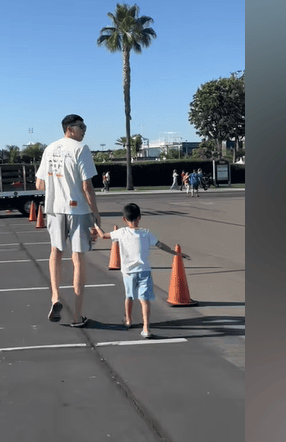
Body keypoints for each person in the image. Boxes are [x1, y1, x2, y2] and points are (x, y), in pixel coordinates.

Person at [36, 114, 101, 327]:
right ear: (69, 129)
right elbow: (87, 187)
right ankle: (77, 316)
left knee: (55, 252)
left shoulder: (49, 149)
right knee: (78, 257)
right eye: (81, 126)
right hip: (78, 210)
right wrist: (96, 214)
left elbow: (39, 184)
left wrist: (57, 185)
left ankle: (55, 297)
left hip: (54, 209)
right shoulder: (81, 149)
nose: (84, 130)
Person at [93, 203, 190, 338]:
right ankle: (146, 328)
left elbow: (103, 236)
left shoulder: (121, 232)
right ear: (139, 217)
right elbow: (160, 245)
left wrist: (96, 226)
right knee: (144, 300)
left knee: (129, 296)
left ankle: (128, 320)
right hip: (144, 271)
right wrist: (176, 253)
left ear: (124, 219)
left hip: (128, 272)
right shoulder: (146, 233)